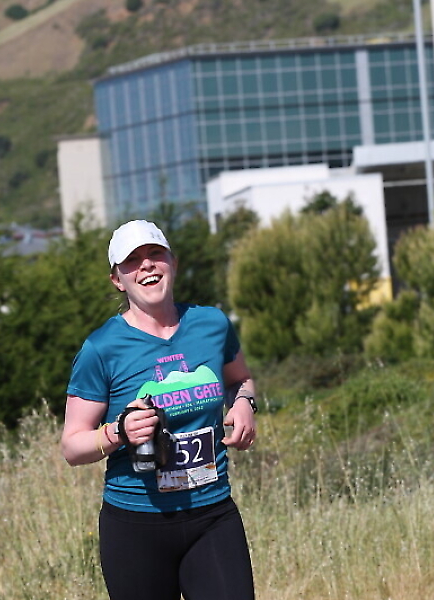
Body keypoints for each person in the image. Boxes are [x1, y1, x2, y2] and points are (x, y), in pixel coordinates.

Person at [61, 219, 257, 600]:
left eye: (155, 254)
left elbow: (241, 379)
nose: (147, 265)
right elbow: (72, 447)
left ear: (173, 263)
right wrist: (118, 432)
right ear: (117, 280)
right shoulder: (101, 348)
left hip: (212, 515)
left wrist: (244, 403)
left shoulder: (211, 324)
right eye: (132, 261)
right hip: (136, 527)